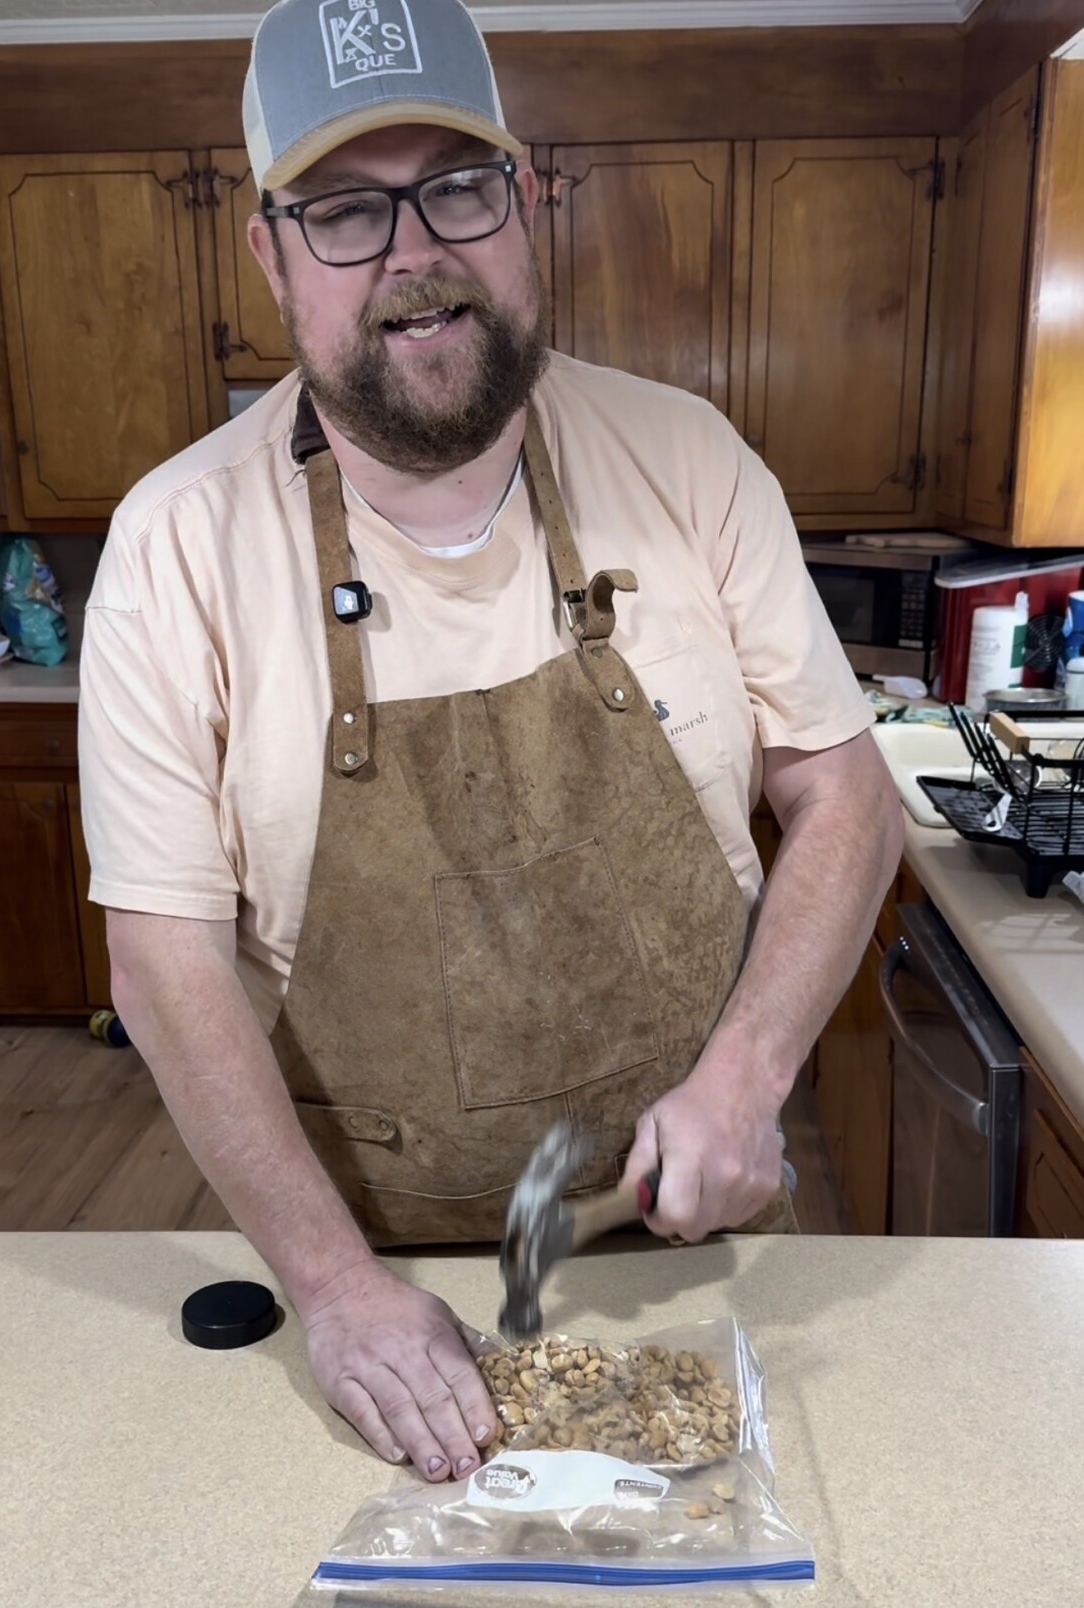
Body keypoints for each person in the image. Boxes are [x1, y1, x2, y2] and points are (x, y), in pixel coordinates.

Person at [79, 0, 904, 1484]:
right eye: (342, 210)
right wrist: (332, 1295)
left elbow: (842, 789)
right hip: (358, 1288)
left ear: (520, 207)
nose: (413, 253)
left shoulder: (689, 458)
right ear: (268, 255)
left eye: (456, 186)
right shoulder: (176, 544)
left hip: (685, 1239)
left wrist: (745, 1079)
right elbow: (161, 951)